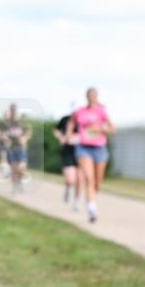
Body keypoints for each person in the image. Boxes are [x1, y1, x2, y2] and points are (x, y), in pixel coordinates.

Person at [68, 88, 114, 223]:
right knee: (89, 178)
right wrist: (69, 134)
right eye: (89, 95)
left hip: (99, 149)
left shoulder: (101, 111)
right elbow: (71, 122)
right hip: (84, 148)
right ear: (87, 97)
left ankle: (91, 200)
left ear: (96, 97)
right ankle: (92, 210)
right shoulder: (80, 111)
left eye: (94, 95)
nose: (91, 97)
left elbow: (112, 128)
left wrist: (99, 129)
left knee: (97, 183)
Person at [0, 103, 32, 193]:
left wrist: (24, 138)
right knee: (14, 169)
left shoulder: (21, 121)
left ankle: (19, 181)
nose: (12, 111)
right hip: (11, 149)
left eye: (14, 110)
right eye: (11, 110)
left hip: (21, 148)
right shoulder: (6, 122)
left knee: (21, 168)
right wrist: (4, 137)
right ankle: (14, 187)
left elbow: (28, 132)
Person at [53, 109, 81, 208]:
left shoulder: (83, 120)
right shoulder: (65, 119)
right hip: (68, 152)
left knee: (79, 178)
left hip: (81, 152)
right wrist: (61, 137)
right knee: (70, 179)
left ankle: (77, 201)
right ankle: (68, 188)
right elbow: (56, 130)